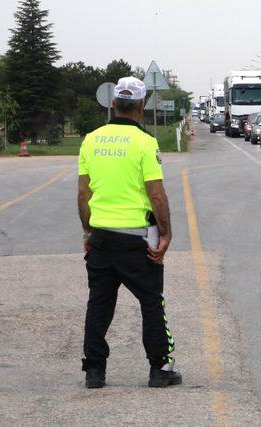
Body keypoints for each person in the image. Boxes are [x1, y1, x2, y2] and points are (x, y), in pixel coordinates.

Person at [77, 76, 181, 388]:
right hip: (137, 239)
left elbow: (84, 194)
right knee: (151, 301)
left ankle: (94, 371)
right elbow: (157, 194)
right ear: (141, 105)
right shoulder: (145, 143)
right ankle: (159, 368)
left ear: (112, 104)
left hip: (102, 237)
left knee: (99, 303)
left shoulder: (91, 140)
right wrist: (166, 234)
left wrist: (87, 231)